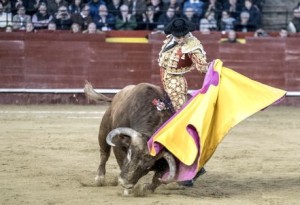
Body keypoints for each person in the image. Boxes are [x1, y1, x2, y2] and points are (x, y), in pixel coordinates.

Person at [158, 17, 208, 186]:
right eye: (176, 35)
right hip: (164, 81)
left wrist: (212, 67)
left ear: (187, 33)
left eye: (181, 35)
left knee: (180, 122)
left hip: (177, 85)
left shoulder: (193, 46)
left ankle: (192, 167)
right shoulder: (170, 39)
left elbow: (203, 68)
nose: (179, 38)